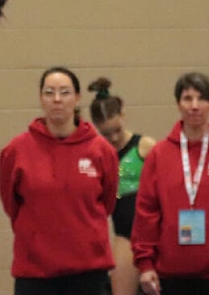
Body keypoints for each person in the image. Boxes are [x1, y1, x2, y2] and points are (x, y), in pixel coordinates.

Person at [0, 66, 119, 295]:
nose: (57, 100)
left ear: (77, 98)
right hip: (35, 275)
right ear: (41, 99)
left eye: (64, 92)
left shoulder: (101, 150)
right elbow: (10, 205)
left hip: (89, 274)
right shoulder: (16, 150)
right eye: (49, 92)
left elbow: (108, 202)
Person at [131, 72, 209, 295]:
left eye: (201, 99)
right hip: (169, 274)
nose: (194, 106)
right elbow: (147, 212)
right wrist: (145, 264)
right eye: (187, 99)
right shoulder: (159, 154)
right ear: (178, 103)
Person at [88, 77, 157, 295]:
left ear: (122, 115)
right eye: (106, 133)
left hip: (154, 233)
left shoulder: (144, 147)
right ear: (96, 128)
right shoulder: (98, 155)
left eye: (117, 129)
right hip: (124, 234)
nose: (114, 137)